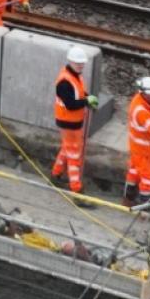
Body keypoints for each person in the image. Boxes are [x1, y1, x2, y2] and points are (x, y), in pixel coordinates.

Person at [50, 45, 97, 193]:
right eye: (78, 63)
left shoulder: (75, 76)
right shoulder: (64, 83)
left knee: (67, 149)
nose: (80, 65)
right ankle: (76, 189)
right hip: (68, 122)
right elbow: (70, 104)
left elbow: (80, 93)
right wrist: (86, 101)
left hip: (73, 122)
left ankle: (56, 174)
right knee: (74, 155)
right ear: (70, 61)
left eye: (82, 63)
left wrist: (87, 97)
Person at [124, 74, 150, 207]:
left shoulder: (139, 100)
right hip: (144, 151)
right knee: (148, 179)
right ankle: (145, 208)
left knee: (134, 171)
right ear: (145, 94)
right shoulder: (141, 111)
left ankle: (129, 198)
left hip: (138, 149)